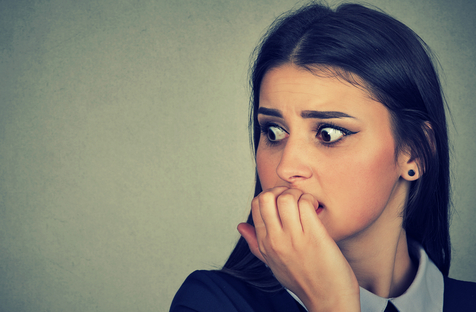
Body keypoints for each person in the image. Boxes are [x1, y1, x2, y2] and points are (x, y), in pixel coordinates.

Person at [170, 2, 476, 311]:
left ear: (415, 152)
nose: (286, 167)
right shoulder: (211, 302)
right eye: (273, 131)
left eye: (328, 133)